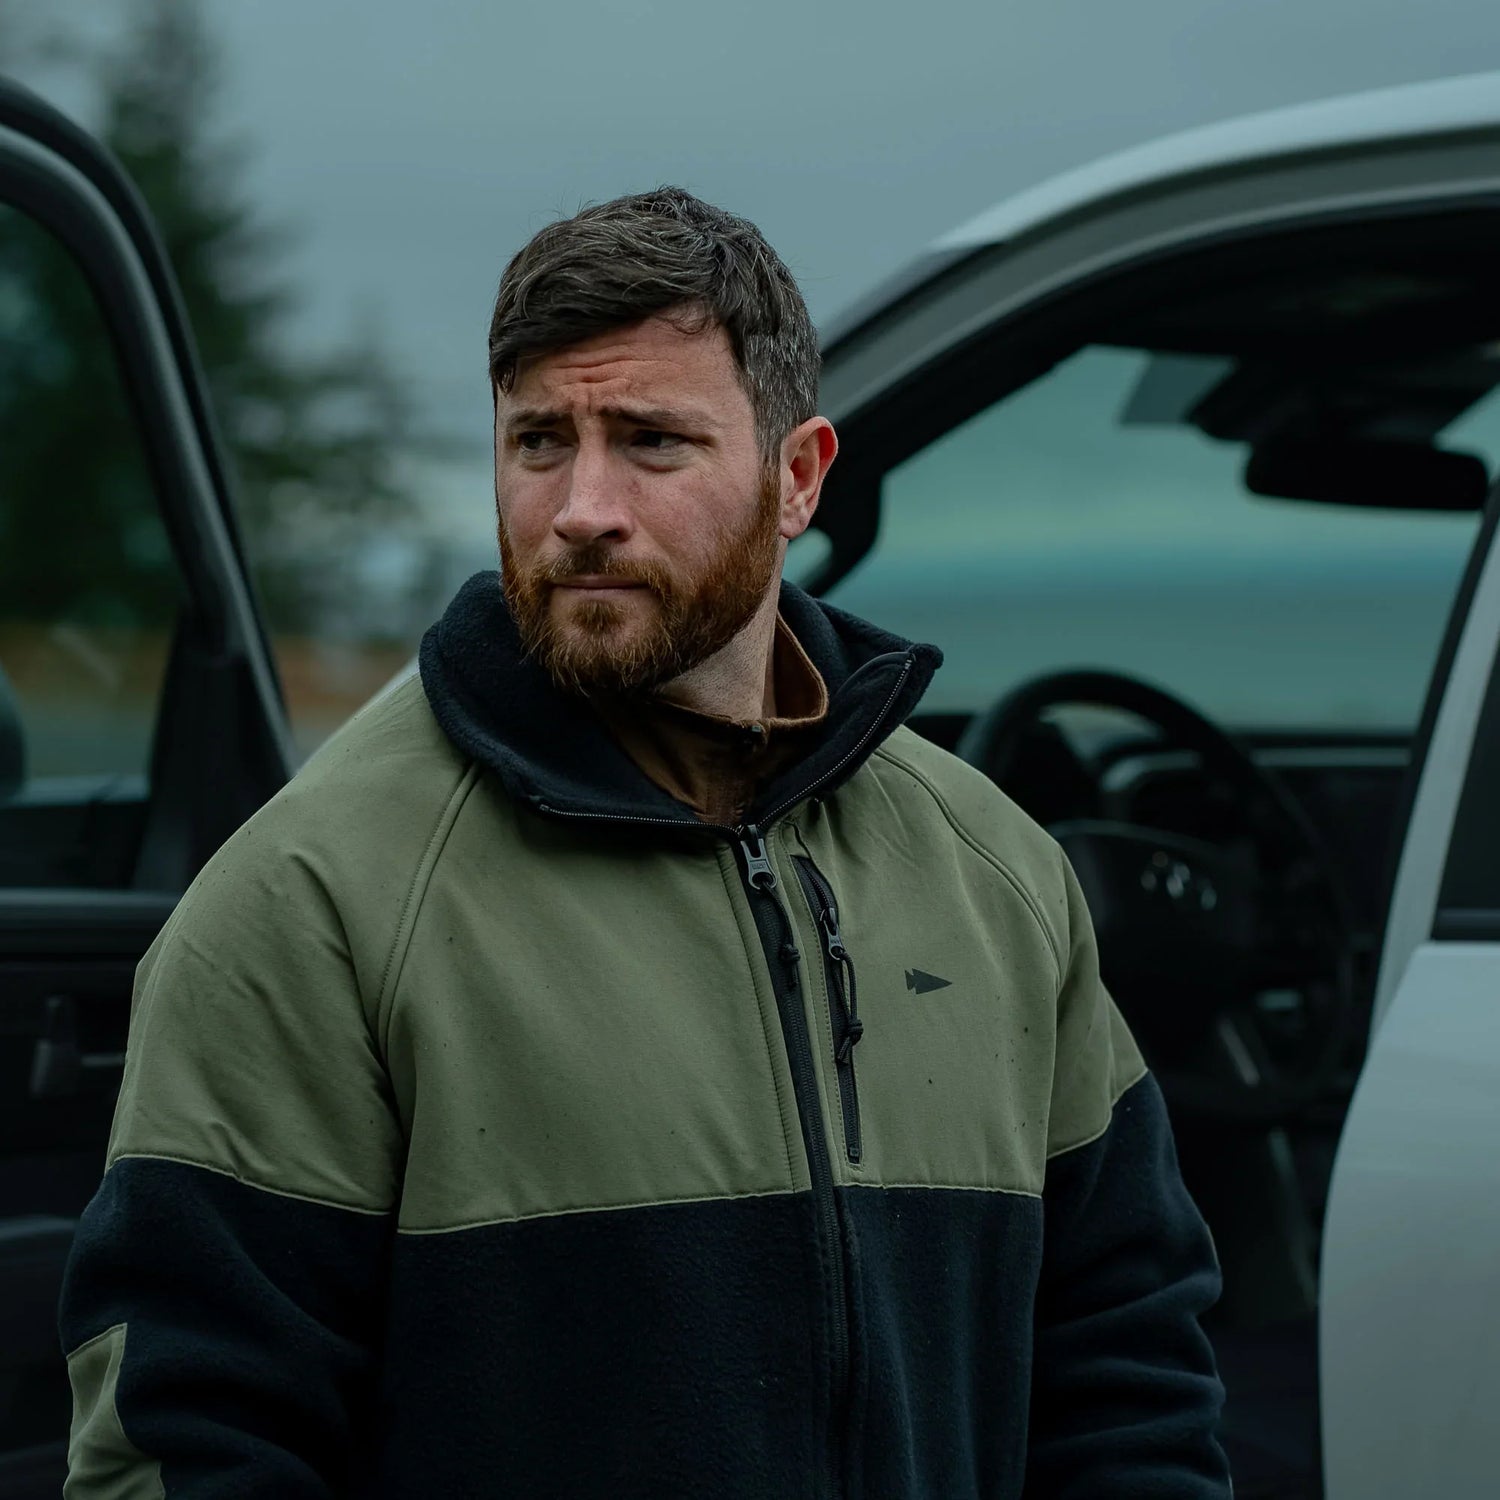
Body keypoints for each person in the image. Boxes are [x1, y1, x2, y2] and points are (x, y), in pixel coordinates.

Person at [60, 187, 1232, 1498]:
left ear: (798, 478)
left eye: (652, 443)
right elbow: (185, 1442)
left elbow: (1127, 1376)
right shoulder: (307, 902)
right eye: (540, 441)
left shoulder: (998, 877)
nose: (581, 507)